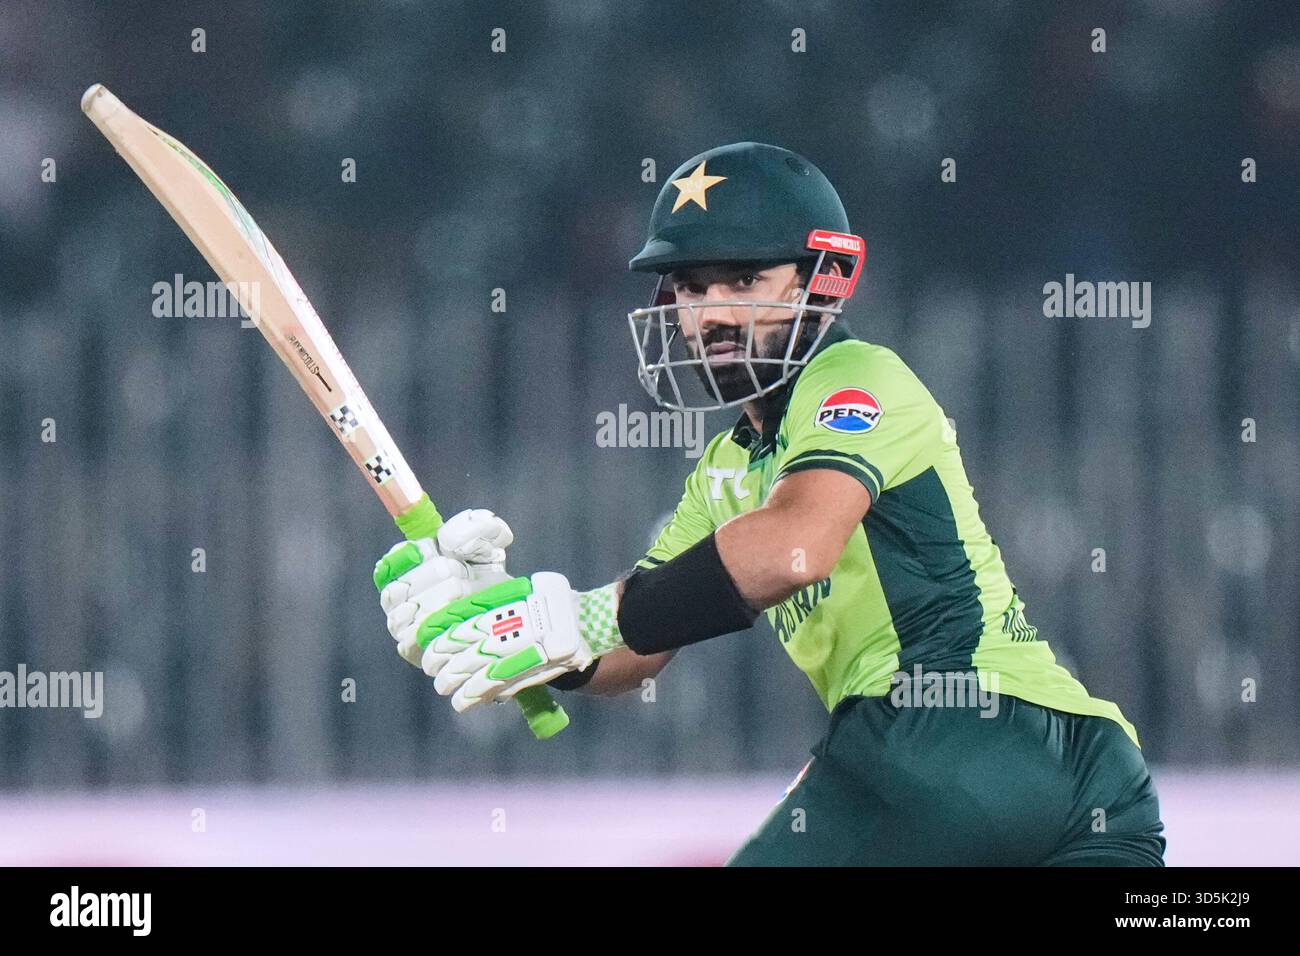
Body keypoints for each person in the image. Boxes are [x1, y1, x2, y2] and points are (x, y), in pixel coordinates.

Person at [372, 142, 1166, 865]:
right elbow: (636, 648)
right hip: (1088, 781)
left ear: (824, 279)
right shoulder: (725, 470)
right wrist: (511, 623)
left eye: (745, 280)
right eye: (688, 287)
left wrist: (580, 619)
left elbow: (796, 548)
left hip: (950, 734)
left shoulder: (859, 377)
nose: (710, 314)